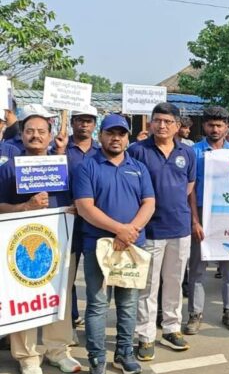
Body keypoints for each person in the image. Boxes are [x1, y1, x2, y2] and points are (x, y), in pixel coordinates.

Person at [0, 104, 82, 374]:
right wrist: (25, 208)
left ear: (50, 135)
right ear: (21, 134)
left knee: (59, 296)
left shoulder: (64, 164)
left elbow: (78, 198)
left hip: (60, 239)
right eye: (30, 131)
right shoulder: (9, 168)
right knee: (23, 297)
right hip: (22, 244)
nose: (36, 136)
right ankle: (26, 357)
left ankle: (57, 350)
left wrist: (73, 207)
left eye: (41, 131)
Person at [74, 114, 156, 374]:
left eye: (121, 133)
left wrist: (131, 231)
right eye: (111, 133)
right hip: (99, 245)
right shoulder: (87, 167)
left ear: (127, 137)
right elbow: (85, 208)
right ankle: (97, 357)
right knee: (98, 304)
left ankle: (124, 353)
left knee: (128, 303)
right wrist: (120, 230)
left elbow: (149, 203)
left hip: (132, 246)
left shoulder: (138, 167)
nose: (116, 138)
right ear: (101, 136)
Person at [127, 103, 196, 360]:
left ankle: (171, 327)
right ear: (150, 123)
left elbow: (189, 186)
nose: (162, 125)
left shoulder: (187, 153)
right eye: (157, 120)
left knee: (175, 282)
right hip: (150, 229)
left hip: (179, 227)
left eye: (168, 121)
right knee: (148, 285)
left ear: (178, 125)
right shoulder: (137, 151)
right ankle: (145, 335)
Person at [185, 106, 229, 335]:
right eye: (211, 125)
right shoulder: (193, 152)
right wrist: (195, 221)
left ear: (226, 126)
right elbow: (189, 191)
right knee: (197, 269)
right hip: (200, 211)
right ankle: (194, 314)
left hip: (227, 213)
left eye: (219, 125)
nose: (215, 129)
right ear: (204, 126)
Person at [66, 104, 101, 332]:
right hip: (67, 219)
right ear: (72, 122)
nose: (84, 124)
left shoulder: (102, 151)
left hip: (95, 221)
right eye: (80, 119)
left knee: (95, 279)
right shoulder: (59, 148)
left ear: (94, 125)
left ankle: (94, 323)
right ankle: (70, 317)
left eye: (89, 120)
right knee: (67, 274)